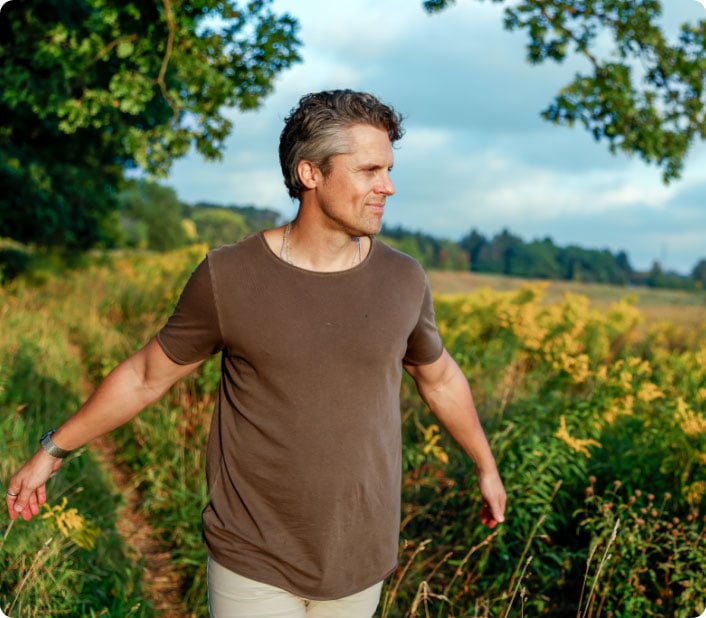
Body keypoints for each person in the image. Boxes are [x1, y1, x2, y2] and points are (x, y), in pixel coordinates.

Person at [6, 89, 506, 617]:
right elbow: (147, 376)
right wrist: (51, 451)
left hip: (360, 558)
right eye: (369, 170)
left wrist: (486, 467)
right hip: (253, 553)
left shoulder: (404, 278)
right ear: (311, 174)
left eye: (388, 169)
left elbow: (440, 378)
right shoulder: (230, 276)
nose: (388, 186)